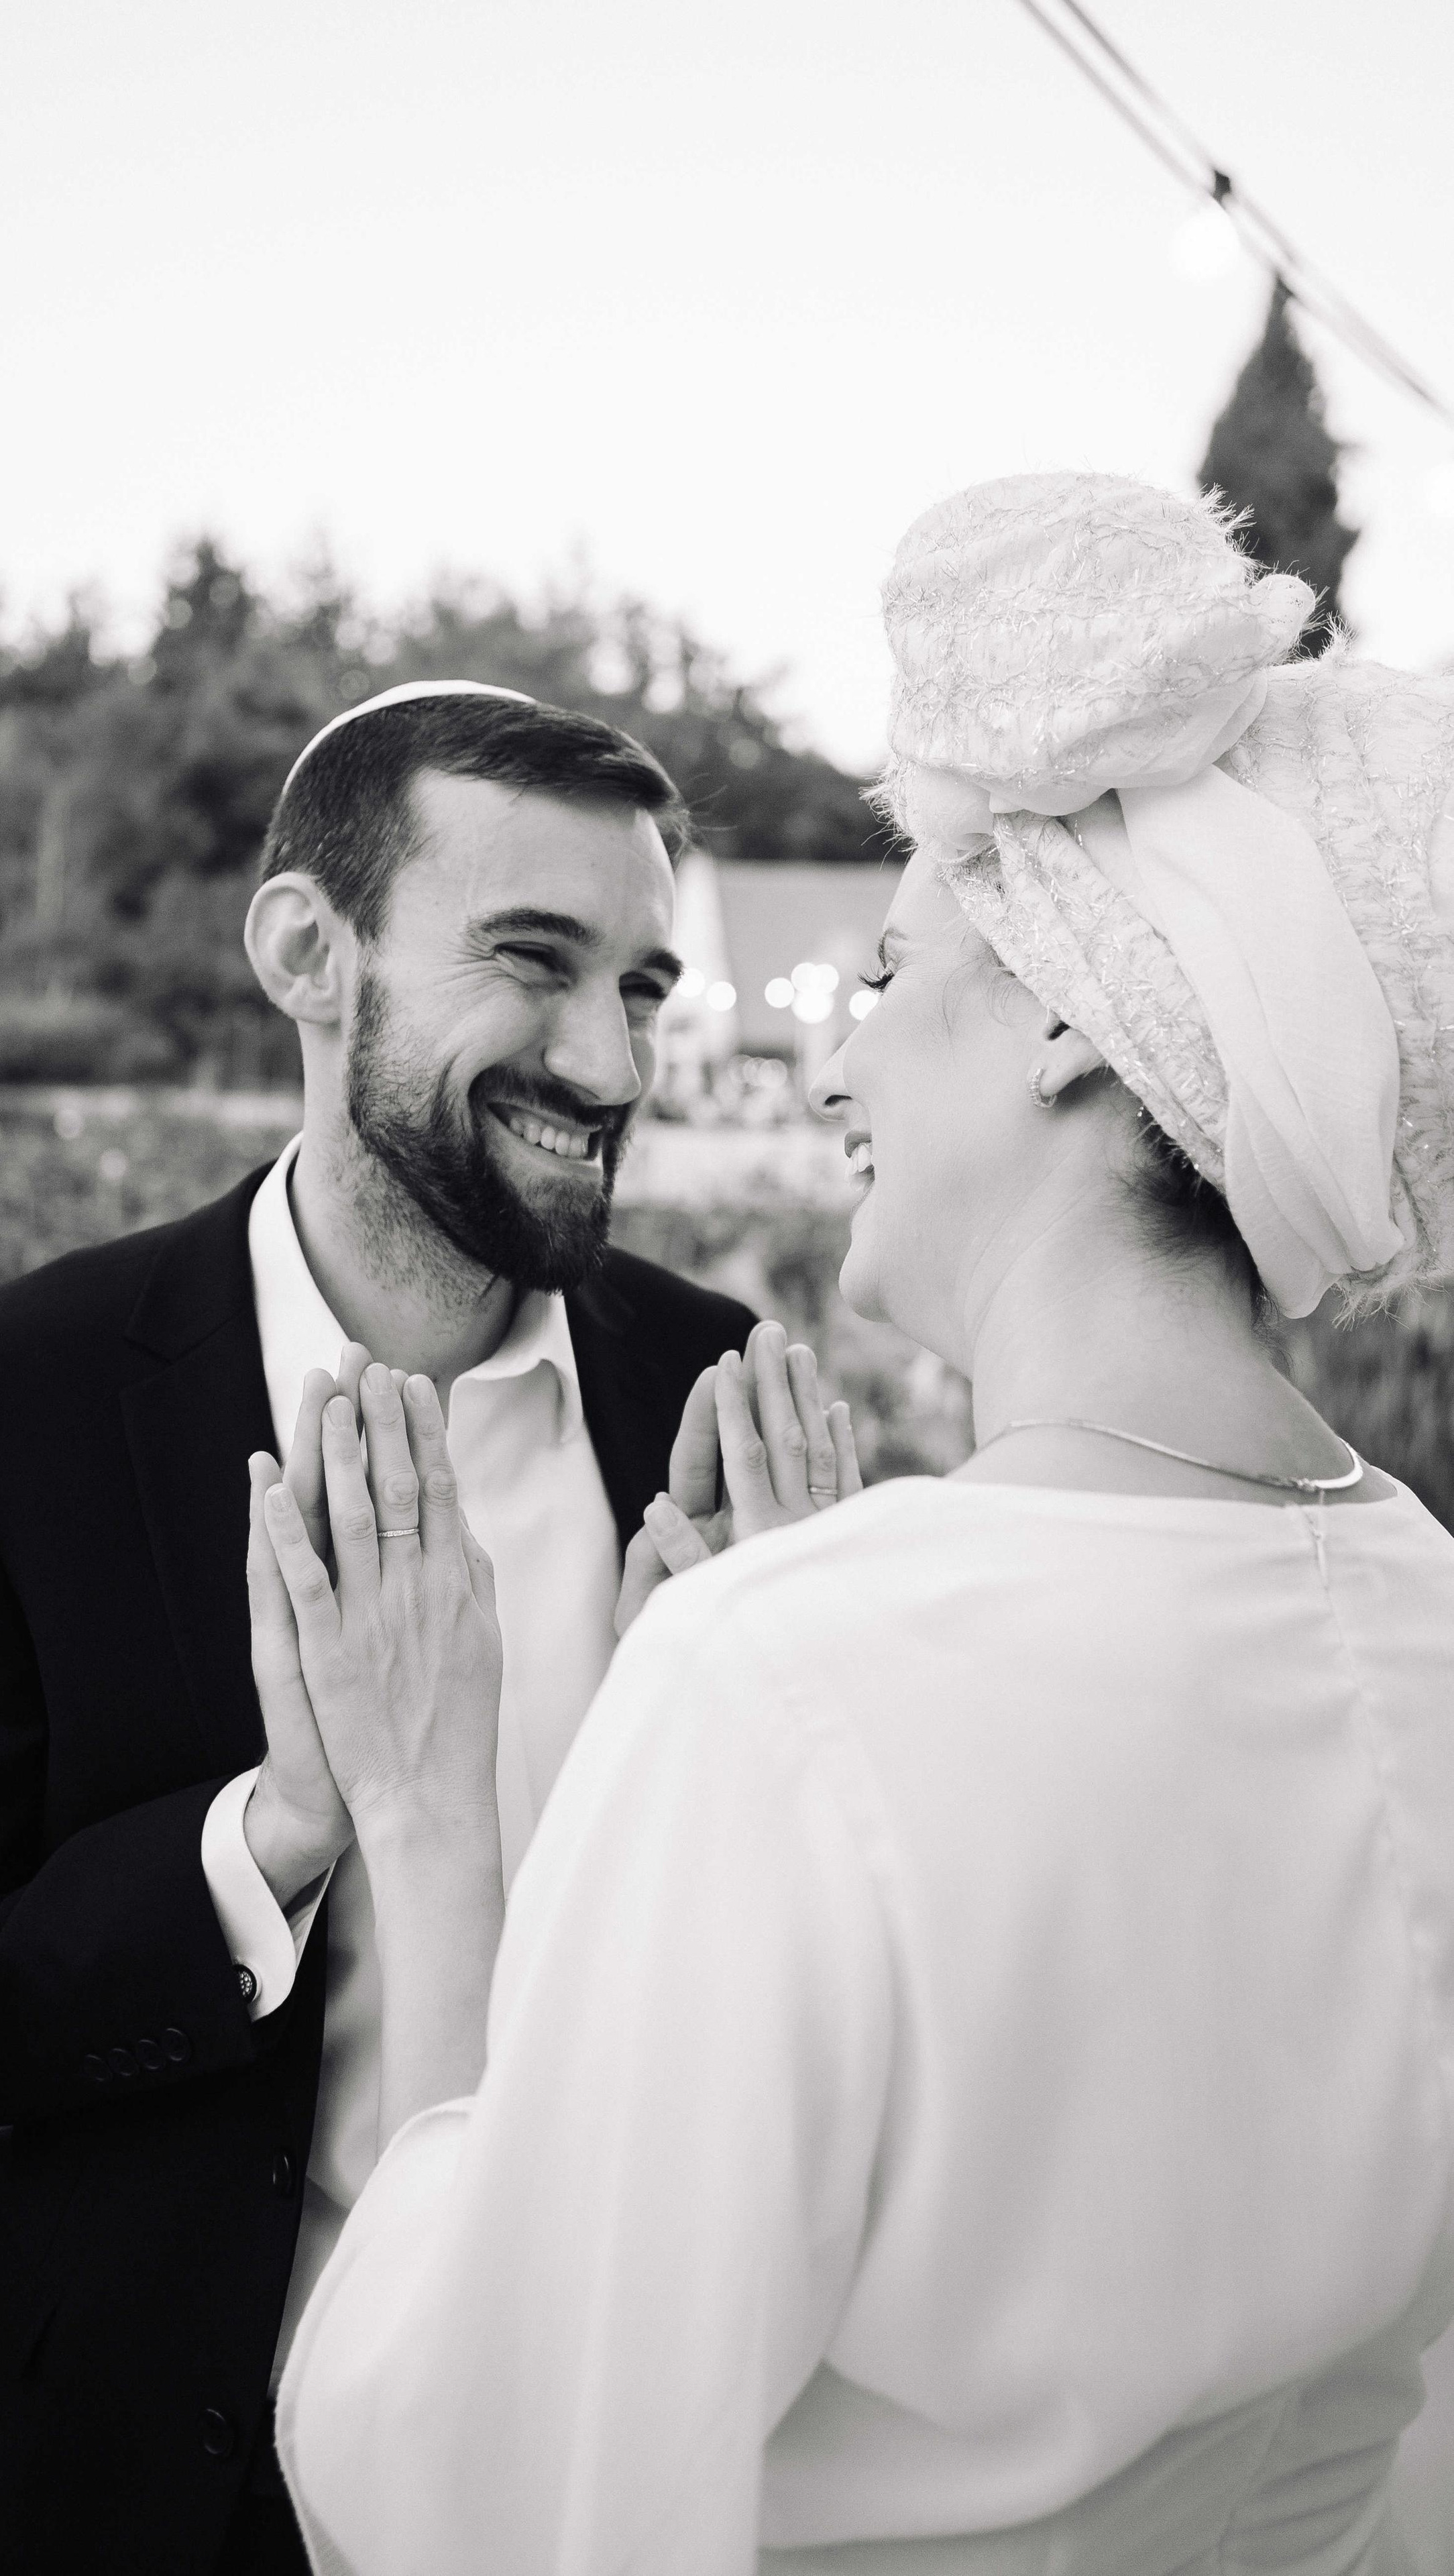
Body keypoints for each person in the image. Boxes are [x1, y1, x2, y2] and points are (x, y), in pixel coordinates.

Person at [258, 478, 1454, 2573]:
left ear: (1080, 1021)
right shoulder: (1428, 1612)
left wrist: (433, 1829)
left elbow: (477, 2504)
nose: (840, 1061)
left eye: (894, 965)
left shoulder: (779, 1680)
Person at [0, 682, 778, 2576]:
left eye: (643, 987)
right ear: (309, 954)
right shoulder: (3, 1405)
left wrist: (743, 1743)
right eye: (534, 963)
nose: (616, 1063)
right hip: (187, 2503)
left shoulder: (718, 1398)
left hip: (636, 2469)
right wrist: (276, 1836)